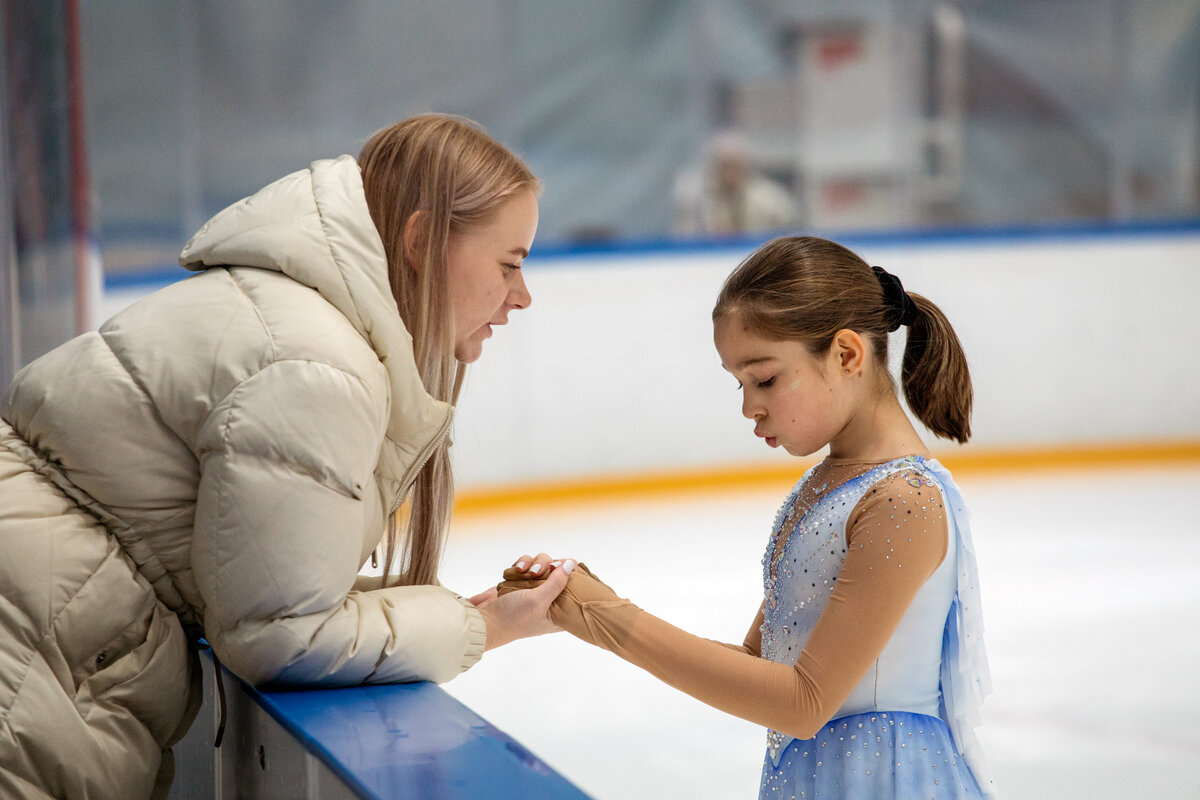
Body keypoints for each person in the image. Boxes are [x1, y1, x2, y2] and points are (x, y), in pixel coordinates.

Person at [0, 114, 569, 800]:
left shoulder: (296, 322)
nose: (522, 296)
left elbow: (263, 588)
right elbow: (280, 636)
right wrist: (481, 627)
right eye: (509, 264)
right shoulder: (315, 367)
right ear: (419, 241)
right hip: (38, 640)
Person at [502, 236, 997, 798]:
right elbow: (757, 665)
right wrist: (590, 608)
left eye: (764, 379)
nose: (748, 407)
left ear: (847, 354)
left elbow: (802, 702)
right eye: (739, 383)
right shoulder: (827, 483)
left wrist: (611, 619)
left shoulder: (903, 501)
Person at [672, 130, 797, 237]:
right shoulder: (695, 198)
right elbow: (684, 236)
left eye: (735, 166)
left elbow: (787, 232)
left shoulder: (771, 199)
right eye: (724, 166)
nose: (730, 173)